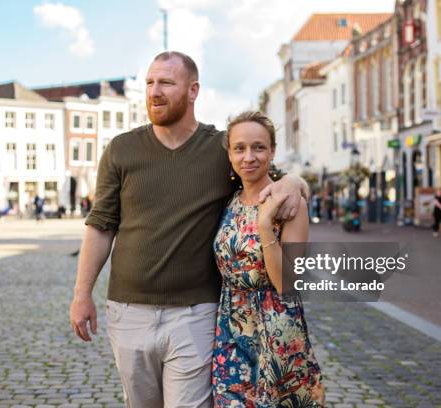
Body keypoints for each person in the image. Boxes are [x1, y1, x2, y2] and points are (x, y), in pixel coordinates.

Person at [69, 51, 307, 408]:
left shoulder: (221, 148)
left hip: (195, 312)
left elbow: (265, 174)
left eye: (165, 82)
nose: (154, 91)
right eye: (150, 82)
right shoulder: (121, 149)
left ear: (193, 90)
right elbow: (101, 225)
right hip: (128, 309)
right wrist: (81, 292)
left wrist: (294, 180)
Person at [212, 111, 323, 406]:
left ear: (272, 151)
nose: (249, 156)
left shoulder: (290, 204)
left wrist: (264, 226)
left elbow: (286, 282)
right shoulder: (230, 201)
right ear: (230, 154)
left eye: (259, 147)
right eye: (240, 148)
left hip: (276, 328)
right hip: (231, 328)